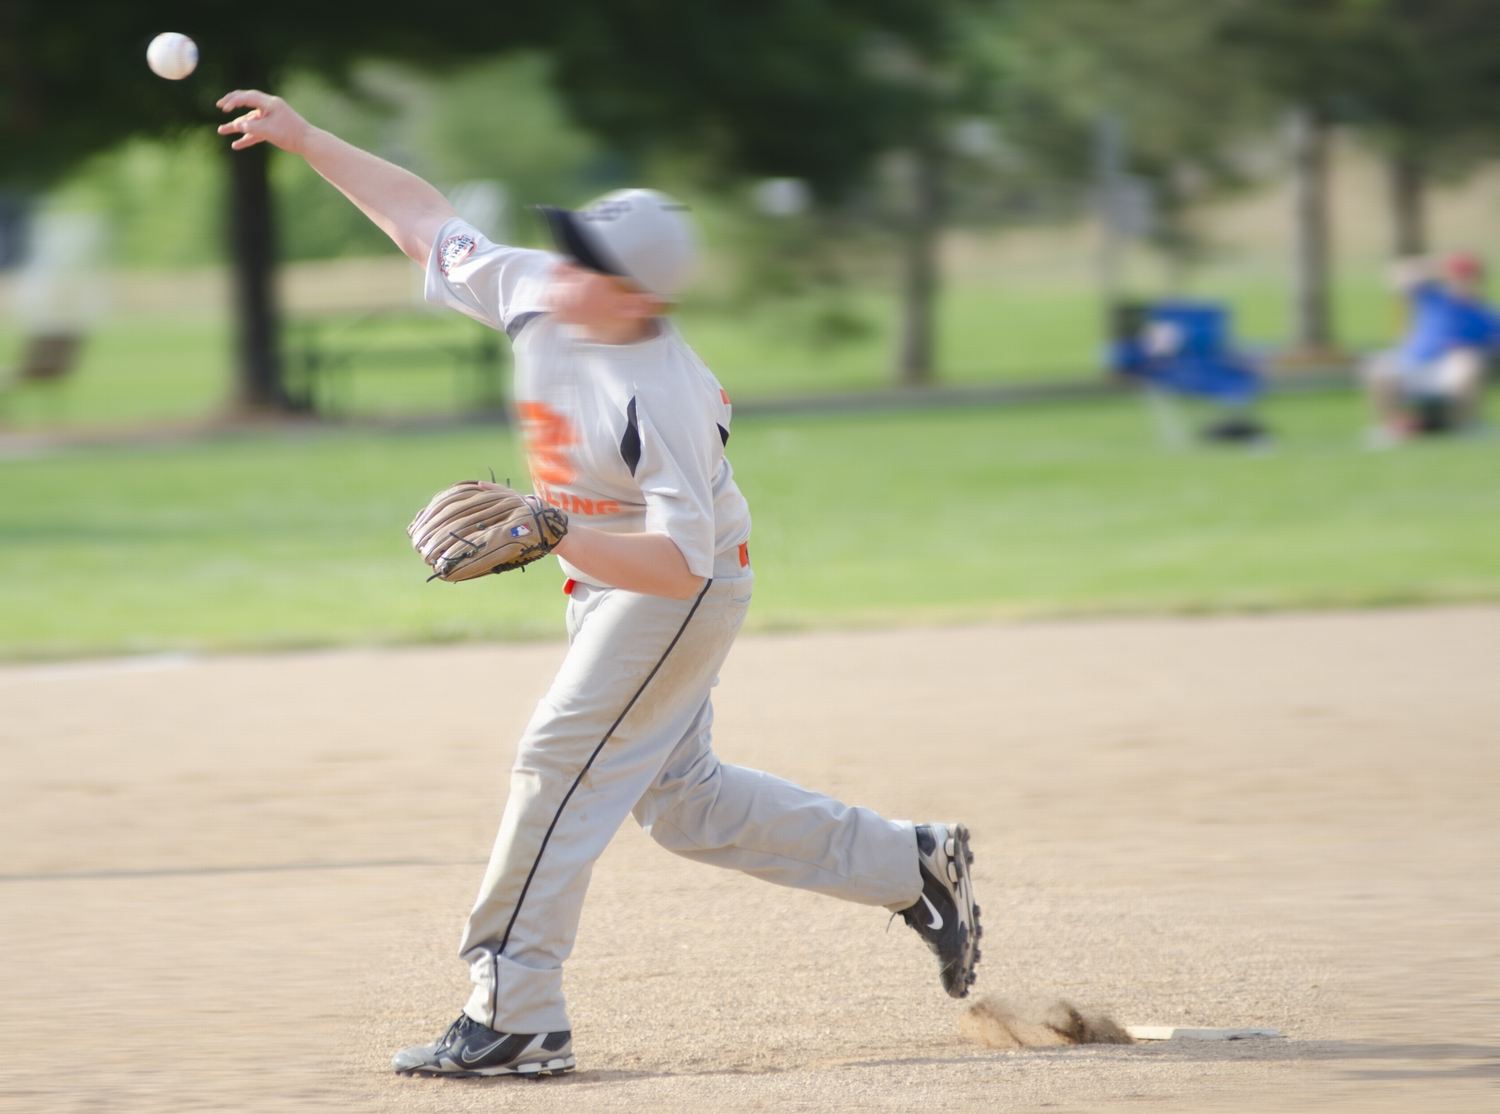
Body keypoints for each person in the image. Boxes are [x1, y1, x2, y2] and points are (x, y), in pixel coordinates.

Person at [215, 90, 982, 1079]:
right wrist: (306, 138)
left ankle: (516, 1011)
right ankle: (909, 860)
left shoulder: (657, 393)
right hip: (608, 576)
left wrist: (552, 532)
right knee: (684, 802)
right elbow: (423, 225)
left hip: (677, 591)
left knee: (555, 755)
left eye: (592, 260)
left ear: (638, 297)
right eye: (571, 246)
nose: (566, 265)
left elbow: (682, 561)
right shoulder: (535, 288)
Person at [1362, 252, 1499, 445]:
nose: (1463, 283)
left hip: (1449, 370)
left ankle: (1467, 425)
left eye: (1469, 279)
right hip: (1410, 365)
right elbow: (1395, 276)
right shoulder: (1431, 298)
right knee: (1377, 367)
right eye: (1458, 278)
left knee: (1466, 362)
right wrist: (1437, 267)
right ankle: (1388, 428)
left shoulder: (1486, 314)